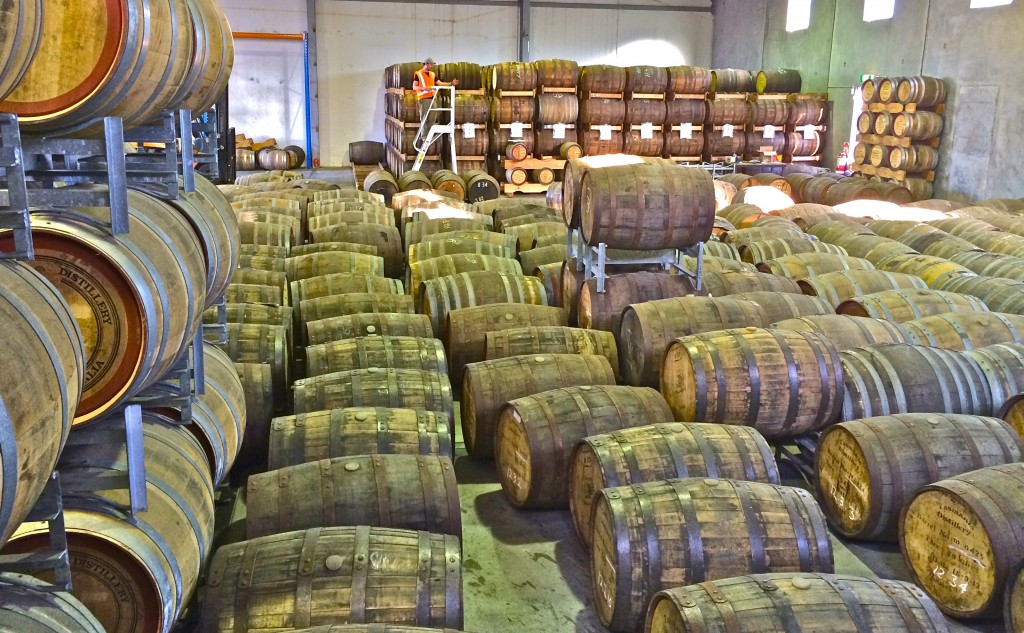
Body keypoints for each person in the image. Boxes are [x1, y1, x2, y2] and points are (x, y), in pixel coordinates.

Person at [412, 58, 457, 137]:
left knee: (433, 118)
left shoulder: (432, 74)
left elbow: (440, 83)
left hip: (433, 99)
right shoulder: (418, 74)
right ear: (426, 64)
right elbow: (414, 87)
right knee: (425, 119)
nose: (432, 66)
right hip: (424, 99)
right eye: (431, 64)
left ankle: (428, 135)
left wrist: (451, 83)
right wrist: (424, 88)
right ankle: (424, 137)